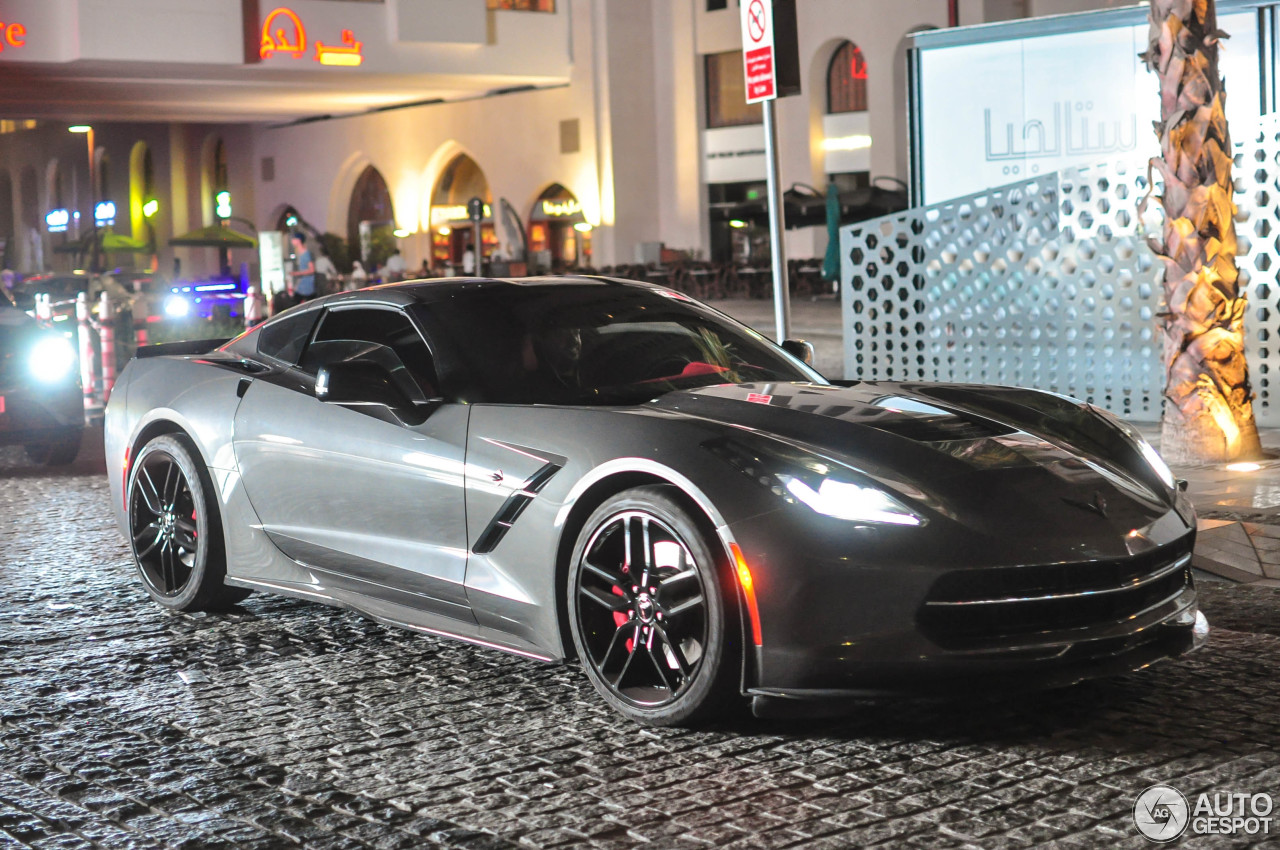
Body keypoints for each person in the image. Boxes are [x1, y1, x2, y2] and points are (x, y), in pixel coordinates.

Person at [289, 232, 316, 301]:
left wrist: (297, 273)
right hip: (302, 286)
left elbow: (312, 270)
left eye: (294, 239)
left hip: (307, 286)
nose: (292, 241)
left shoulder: (306, 254)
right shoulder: (299, 253)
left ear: (298, 240)